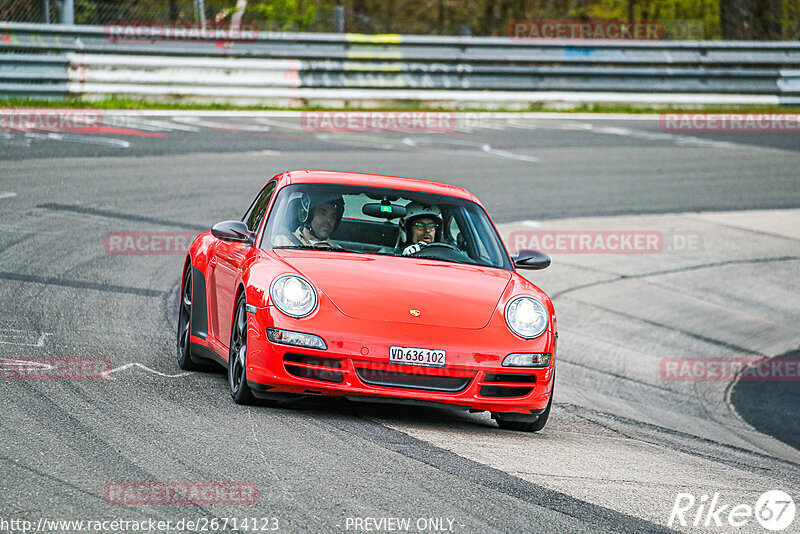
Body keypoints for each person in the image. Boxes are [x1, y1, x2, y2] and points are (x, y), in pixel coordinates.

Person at [273, 192, 344, 248]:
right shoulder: (280, 243)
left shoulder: (338, 252)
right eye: (322, 213)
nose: (328, 219)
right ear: (309, 215)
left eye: (333, 216)